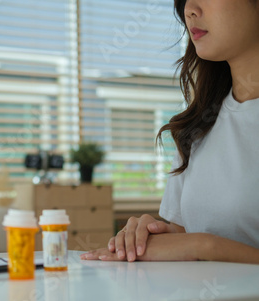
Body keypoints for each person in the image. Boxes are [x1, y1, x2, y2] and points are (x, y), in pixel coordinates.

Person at [81, 0, 259, 264]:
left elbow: (200, 243)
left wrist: (204, 246)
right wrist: (148, 236)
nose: (190, 10)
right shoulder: (196, 126)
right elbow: (189, 234)